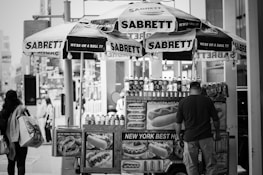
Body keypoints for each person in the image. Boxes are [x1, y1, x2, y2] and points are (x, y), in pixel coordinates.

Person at [175, 81, 221, 175]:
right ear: (200, 90)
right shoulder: (207, 101)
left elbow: (178, 123)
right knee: (211, 164)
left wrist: (178, 136)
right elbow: (216, 119)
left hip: (190, 138)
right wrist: (217, 132)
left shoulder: (183, 102)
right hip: (206, 137)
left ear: (189, 90)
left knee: (191, 165)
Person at [0, 90, 28, 175]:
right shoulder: (21, 109)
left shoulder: (3, 112)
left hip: (9, 141)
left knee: (11, 162)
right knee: (21, 163)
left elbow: (1, 127)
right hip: (21, 140)